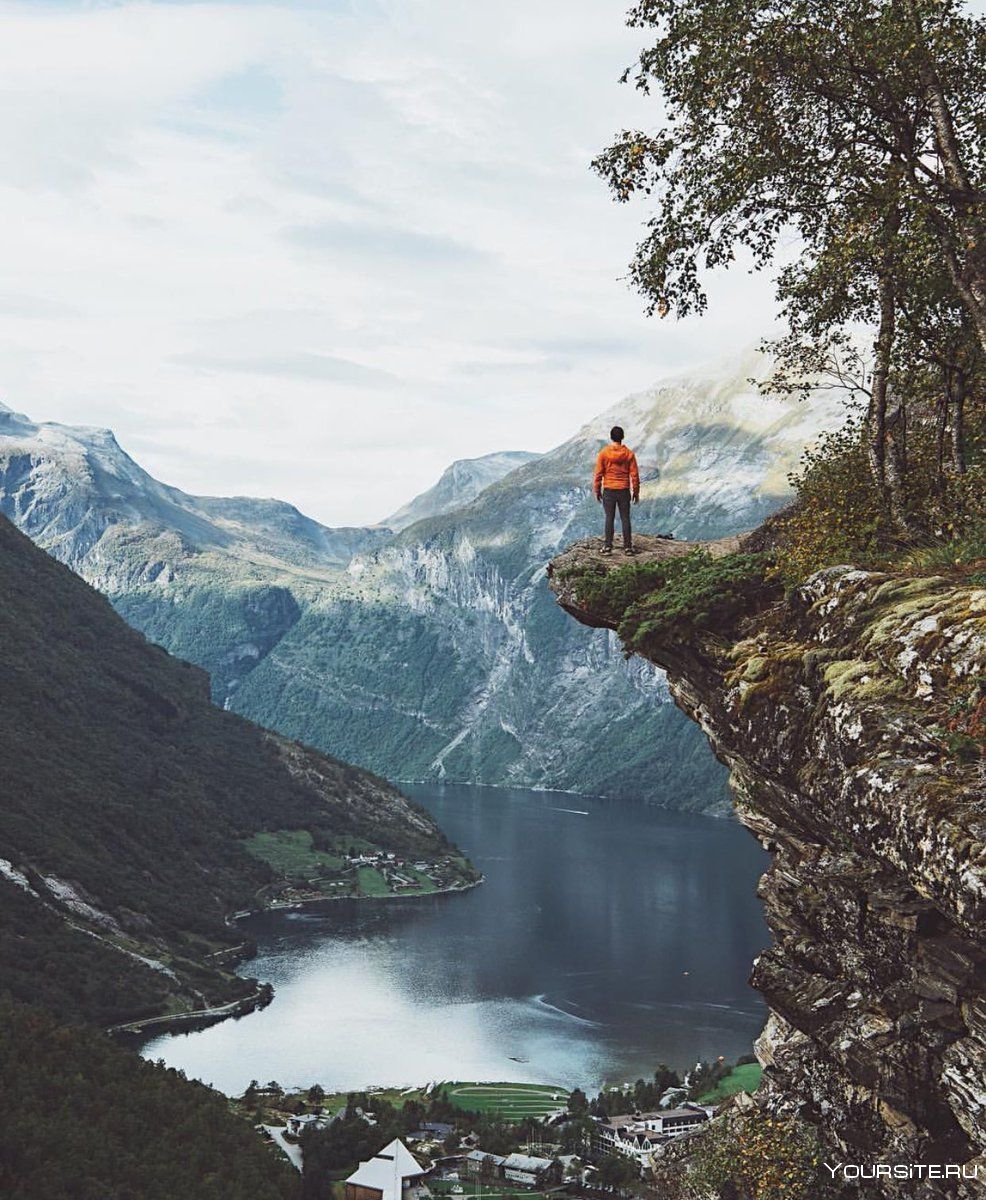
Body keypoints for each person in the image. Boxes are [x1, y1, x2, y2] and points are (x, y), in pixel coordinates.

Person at [593, 425, 640, 554]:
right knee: (625, 518)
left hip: (609, 489)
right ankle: (628, 547)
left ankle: (608, 546)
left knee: (609, 518)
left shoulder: (604, 453)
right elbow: (634, 475)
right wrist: (635, 492)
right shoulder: (629, 454)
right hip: (624, 489)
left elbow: (598, 474)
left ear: (611, 437)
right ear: (622, 437)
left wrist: (597, 490)